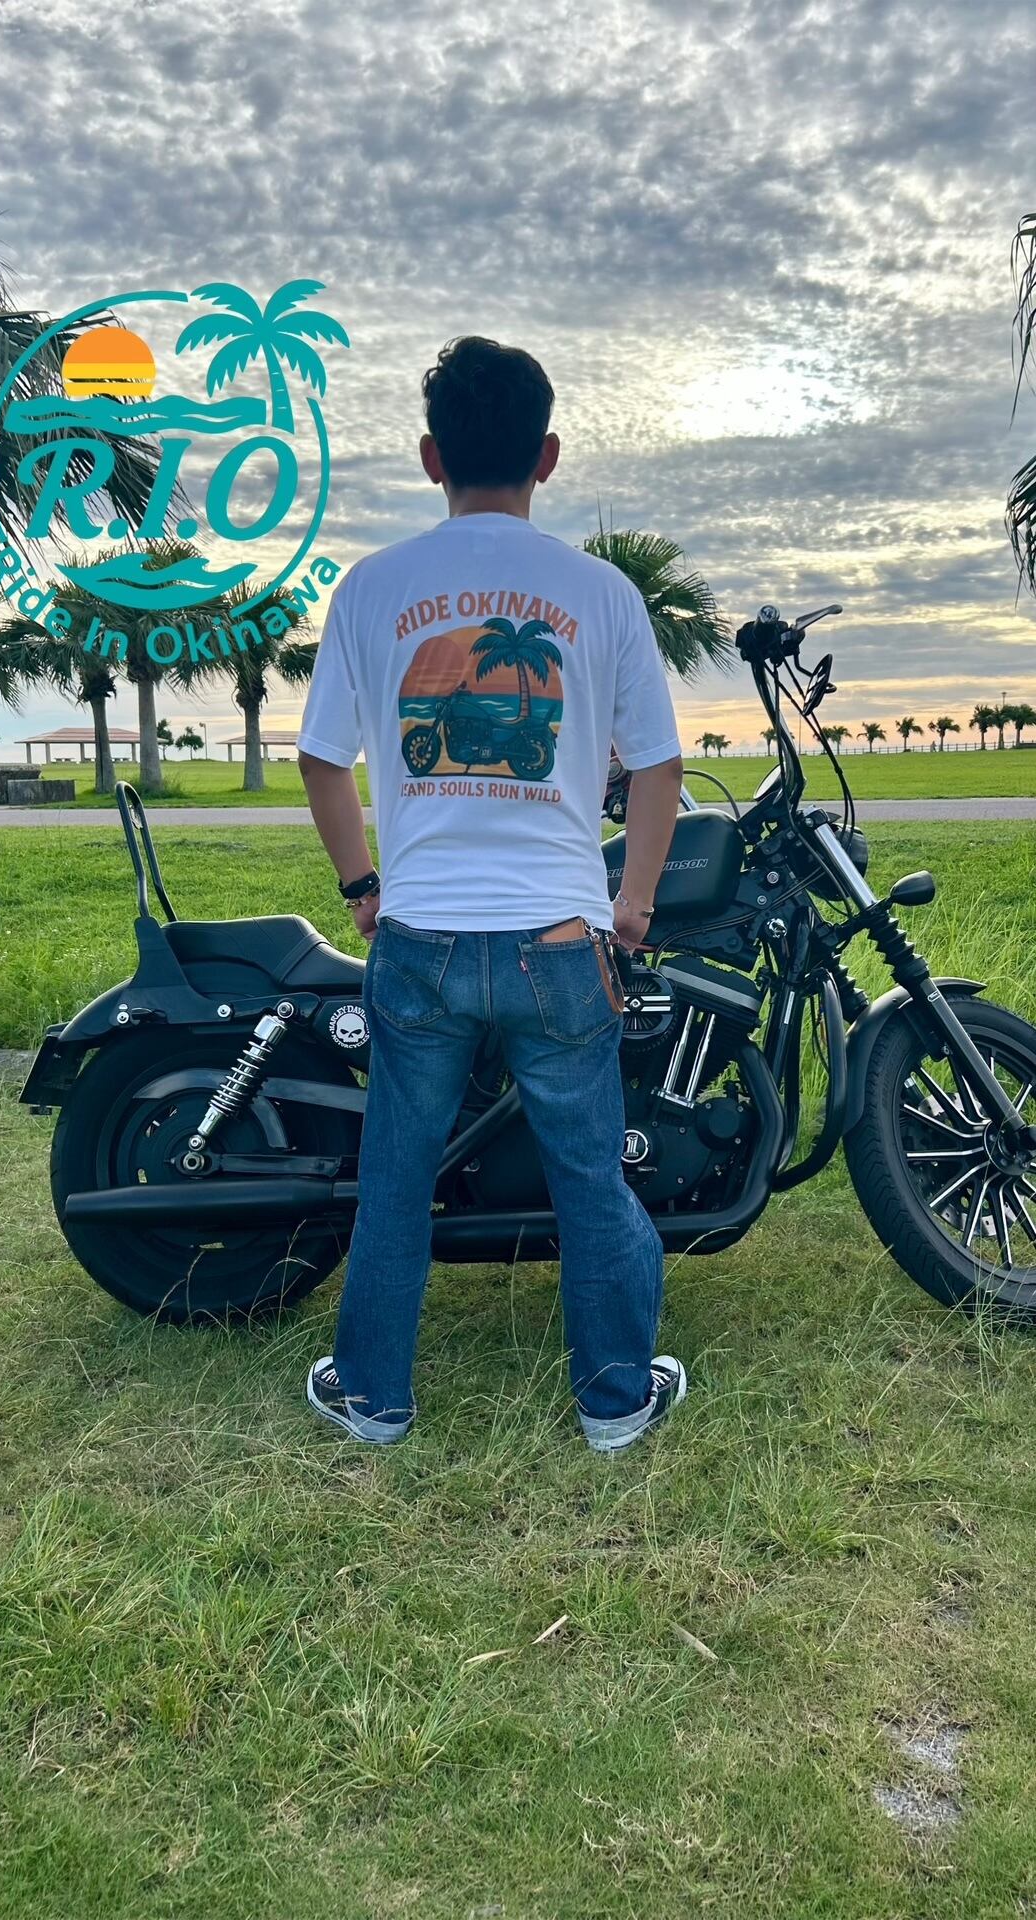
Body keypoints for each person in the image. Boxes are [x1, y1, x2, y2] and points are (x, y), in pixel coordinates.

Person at [297, 335, 686, 1453]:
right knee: (590, 1181)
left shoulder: (370, 588)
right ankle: (614, 1405)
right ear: (547, 456)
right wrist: (633, 905)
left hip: (419, 940)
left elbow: (322, 759)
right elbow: (659, 767)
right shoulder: (603, 593)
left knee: (395, 1179)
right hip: (561, 940)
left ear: (432, 457)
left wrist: (362, 885)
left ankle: (374, 1399)